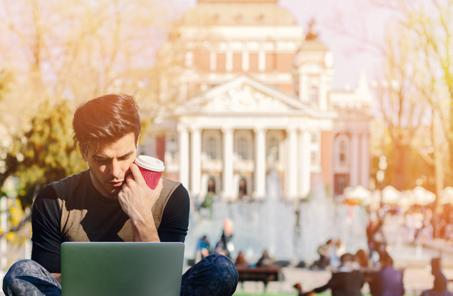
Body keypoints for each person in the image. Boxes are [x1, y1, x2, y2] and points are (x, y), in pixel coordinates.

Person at [2, 94, 238, 296]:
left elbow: (162, 283)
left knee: (221, 269)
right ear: (84, 151)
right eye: (102, 160)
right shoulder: (53, 199)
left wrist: (141, 215)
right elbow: (48, 281)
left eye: (125, 157)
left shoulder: (172, 197)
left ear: (137, 143)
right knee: (21, 273)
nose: (115, 172)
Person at [298, 253, 365, 296]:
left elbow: (327, 286)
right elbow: (361, 285)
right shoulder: (358, 273)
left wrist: (311, 291)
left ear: (341, 261)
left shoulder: (338, 274)